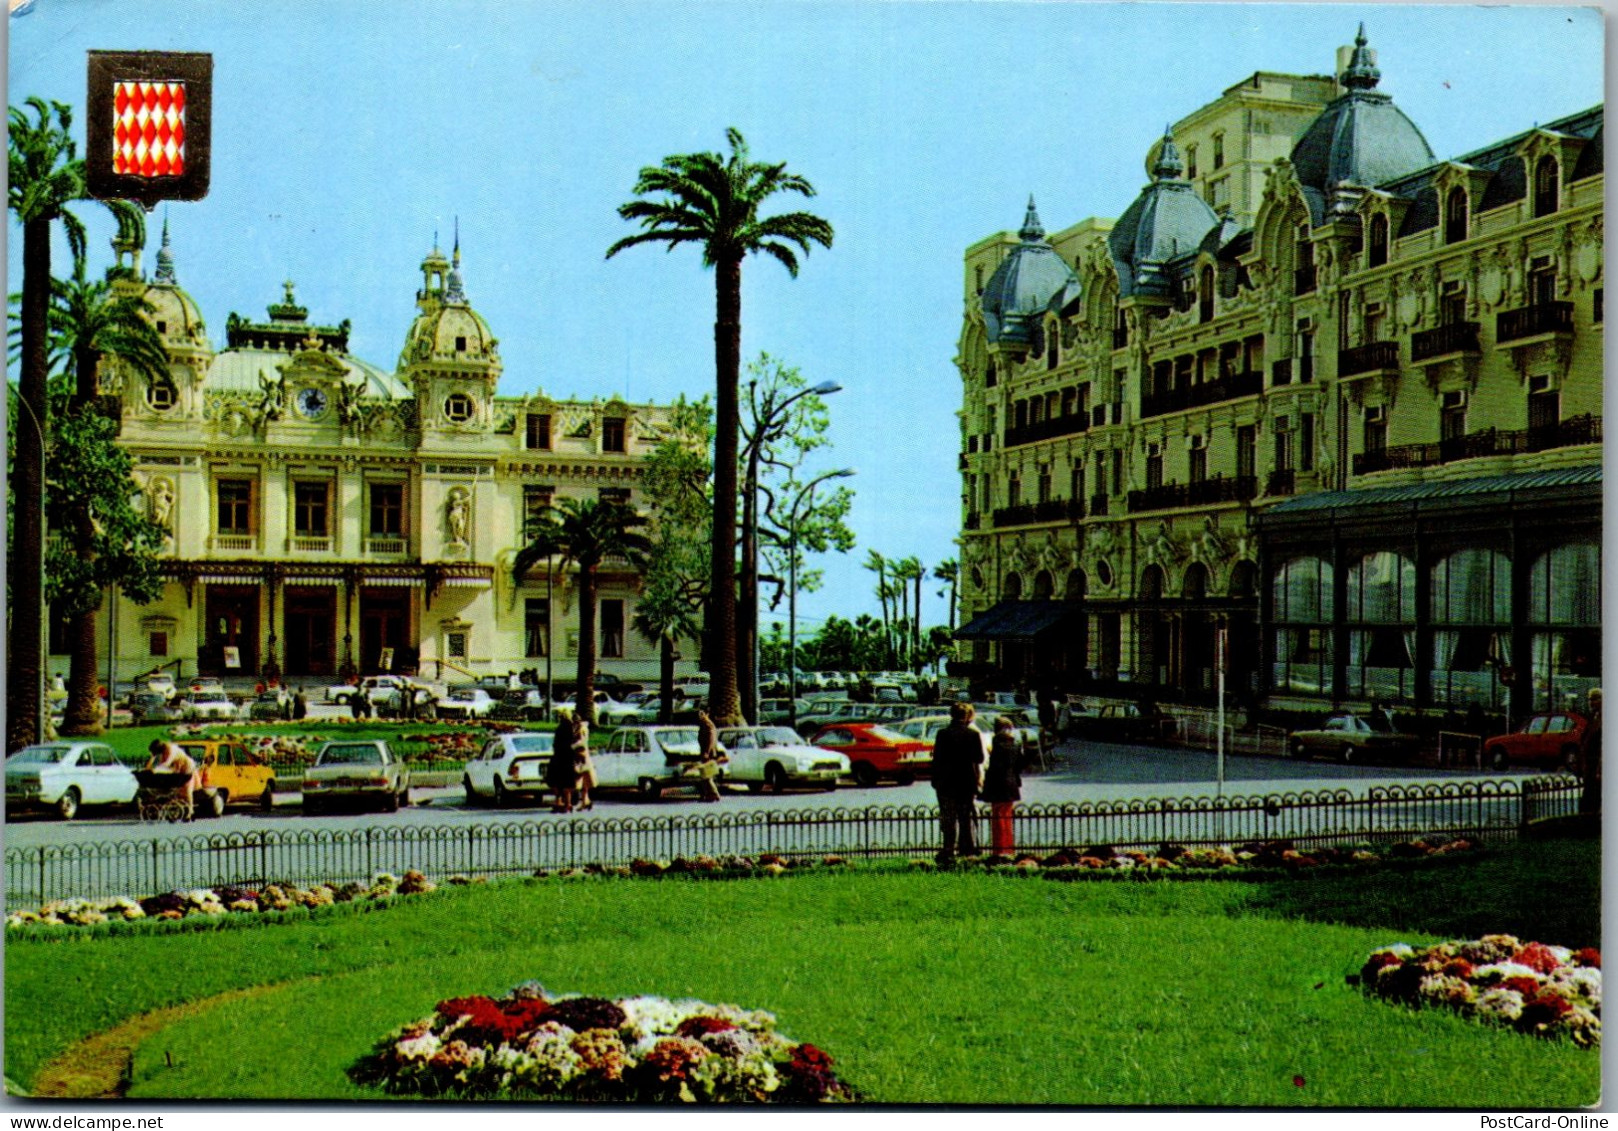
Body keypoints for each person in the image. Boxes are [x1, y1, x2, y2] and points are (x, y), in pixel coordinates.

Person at [930, 701, 985, 865]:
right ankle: (966, 849)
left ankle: (948, 849)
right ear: (966, 716)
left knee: (948, 818)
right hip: (966, 782)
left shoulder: (943, 734)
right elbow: (979, 758)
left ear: (951, 715)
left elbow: (937, 759)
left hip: (946, 782)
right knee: (965, 818)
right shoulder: (973, 735)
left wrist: (936, 780)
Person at [980, 715, 1024, 856]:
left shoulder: (996, 744)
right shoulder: (1016, 745)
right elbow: (1020, 765)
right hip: (1011, 784)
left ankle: (999, 849)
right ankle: (1008, 848)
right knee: (1007, 817)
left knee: (997, 818)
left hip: (997, 785)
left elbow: (993, 768)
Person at [145, 738, 199, 821]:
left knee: (187, 789)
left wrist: (155, 770)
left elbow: (167, 763)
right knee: (176, 789)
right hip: (177, 767)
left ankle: (190, 812)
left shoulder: (171, 749)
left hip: (187, 766)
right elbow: (161, 764)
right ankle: (177, 809)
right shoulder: (163, 752)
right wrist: (152, 760)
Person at [547, 714, 579, 813]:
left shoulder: (559, 730)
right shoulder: (570, 730)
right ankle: (568, 804)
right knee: (567, 783)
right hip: (568, 759)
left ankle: (559, 802)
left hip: (558, 759)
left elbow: (555, 744)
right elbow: (573, 744)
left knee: (557, 783)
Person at [695, 710, 725, 801]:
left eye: (702, 714)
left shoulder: (708, 724)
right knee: (705, 775)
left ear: (707, 714)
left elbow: (711, 739)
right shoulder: (704, 724)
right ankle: (708, 795)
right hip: (706, 752)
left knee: (706, 775)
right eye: (699, 714)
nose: (700, 716)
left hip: (708, 754)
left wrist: (707, 752)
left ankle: (714, 794)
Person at [1580, 687, 1601, 816]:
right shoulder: (1593, 717)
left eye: (1594, 699)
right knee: (1589, 796)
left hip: (1597, 763)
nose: (1591, 702)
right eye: (1590, 699)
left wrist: (1599, 768)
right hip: (1589, 763)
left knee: (1593, 796)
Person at [573, 716, 596, 811]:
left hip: (582, 758)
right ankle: (585, 801)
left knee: (581, 779)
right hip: (582, 757)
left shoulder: (582, 729)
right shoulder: (580, 728)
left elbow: (582, 742)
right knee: (584, 781)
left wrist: (572, 746)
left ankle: (584, 801)